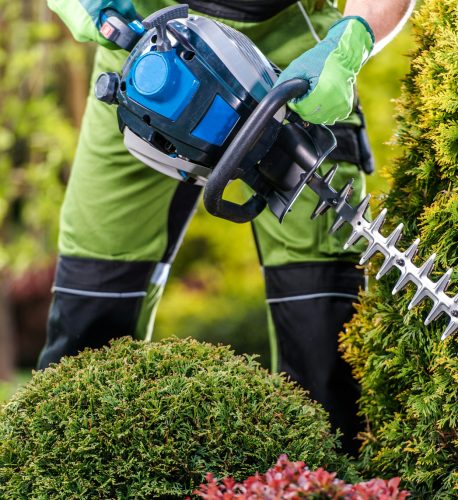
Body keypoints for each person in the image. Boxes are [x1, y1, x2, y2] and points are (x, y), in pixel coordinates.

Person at [39, 0, 415, 454]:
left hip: (291, 49)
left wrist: (352, 38)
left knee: (327, 337)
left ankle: (330, 480)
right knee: (88, 311)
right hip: (146, 52)